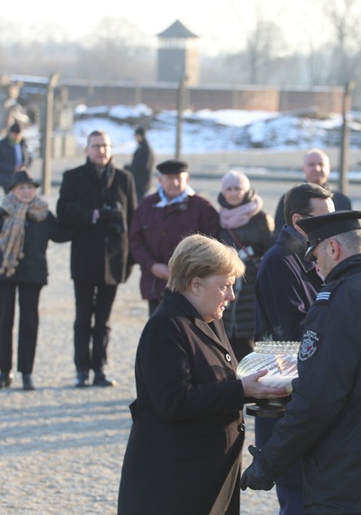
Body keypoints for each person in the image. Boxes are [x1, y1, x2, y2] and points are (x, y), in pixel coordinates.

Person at [242, 210, 361, 514]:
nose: (315, 266)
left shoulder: (339, 300)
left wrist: (268, 464)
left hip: (357, 480)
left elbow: (316, 399)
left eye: (315, 255)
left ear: (333, 249)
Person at [117, 234, 288, 515]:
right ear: (195, 284)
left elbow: (214, 378)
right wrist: (241, 390)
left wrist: (257, 377)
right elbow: (174, 401)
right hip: (174, 485)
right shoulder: (165, 326)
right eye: (225, 286)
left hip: (205, 477)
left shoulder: (207, 316)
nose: (232, 295)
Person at [255, 182, 334, 515]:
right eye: (325, 219)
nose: (334, 226)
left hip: (302, 394)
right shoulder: (280, 261)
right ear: (299, 220)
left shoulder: (306, 256)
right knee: (296, 495)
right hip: (285, 395)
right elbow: (293, 334)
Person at [0, 170, 69, 391]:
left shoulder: (44, 215)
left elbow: (61, 234)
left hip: (32, 276)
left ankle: (27, 372)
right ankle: (4, 371)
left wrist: (74, 211)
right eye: (21, 188)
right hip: (3, 275)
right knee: (4, 322)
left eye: (30, 187)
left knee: (29, 324)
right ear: (13, 191)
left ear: (35, 190)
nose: (26, 192)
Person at [57, 130, 137, 388]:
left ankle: (99, 368)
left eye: (105, 146)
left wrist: (130, 260)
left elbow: (134, 220)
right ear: (87, 150)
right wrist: (94, 214)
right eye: (96, 146)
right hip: (84, 257)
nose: (101, 150)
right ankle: (81, 369)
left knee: (103, 321)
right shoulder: (73, 178)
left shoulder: (125, 179)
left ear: (111, 149)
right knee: (83, 318)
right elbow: (63, 212)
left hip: (114, 260)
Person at [129, 160, 219, 316]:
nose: (174, 182)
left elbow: (212, 247)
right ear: (160, 180)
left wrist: (186, 270)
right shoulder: (146, 206)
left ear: (187, 178)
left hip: (191, 288)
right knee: (158, 334)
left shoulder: (202, 208)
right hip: (155, 285)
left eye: (178, 177)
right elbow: (135, 240)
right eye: (169, 178)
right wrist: (152, 266)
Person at [216, 170, 273, 362]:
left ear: (246, 190)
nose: (233, 193)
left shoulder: (261, 217)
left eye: (238, 189)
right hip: (227, 280)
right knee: (226, 336)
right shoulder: (219, 217)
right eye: (229, 189)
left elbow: (269, 249)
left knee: (248, 338)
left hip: (252, 283)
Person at [273, 149, 351, 237]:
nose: (317, 168)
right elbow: (279, 234)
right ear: (303, 168)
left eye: (321, 164)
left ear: (329, 168)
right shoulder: (288, 199)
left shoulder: (342, 201)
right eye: (311, 164)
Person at [0, 122, 32, 194]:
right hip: (7, 178)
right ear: (10, 133)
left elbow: (29, 158)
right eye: (15, 134)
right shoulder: (1, 145)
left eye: (19, 135)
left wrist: (24, 166)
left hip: (22, 178)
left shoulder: (23, 144)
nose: (17, 137)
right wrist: (13, 168)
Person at [125, 127, 155, 203]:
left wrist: (129, 168)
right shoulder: (140, 148)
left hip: (142, 185)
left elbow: (143, 167)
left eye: (136, 136)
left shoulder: (146, 150)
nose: (135, 138)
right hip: (136, 183)